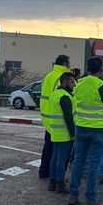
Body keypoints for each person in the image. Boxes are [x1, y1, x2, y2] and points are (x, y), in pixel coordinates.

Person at [68, 58, 103, 205]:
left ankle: (73, 195)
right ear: (102, 70)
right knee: (93, 165)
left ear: (88, 68)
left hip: (81, 127)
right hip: (99, 130)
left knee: (78, 162)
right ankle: (90, 199)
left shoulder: (79, 84)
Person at [38, 55, 72, 183]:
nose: (70, 65)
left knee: (49, 147)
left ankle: (44, 171)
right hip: (58, 117)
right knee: (60, 152)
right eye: (69, 63)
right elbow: (63, 96)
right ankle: (58, 177)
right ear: (64, 63)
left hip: (48, 116)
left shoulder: (49, 75)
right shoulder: (62, 77)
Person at [49, 72, 76, 194]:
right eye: (71, 82)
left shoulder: (55, 94)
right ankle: (60, 184)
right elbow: (68, 116)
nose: (74, 85)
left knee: (55, 157)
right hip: (64, 132)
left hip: (55, 131)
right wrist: (73, 132)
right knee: (61, 159)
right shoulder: (65, 96)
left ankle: (52, 182)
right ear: (65, 81)